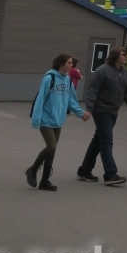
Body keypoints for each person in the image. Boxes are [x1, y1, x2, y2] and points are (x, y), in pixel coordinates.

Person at [76, 46, 127, 186]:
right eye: (123, 54)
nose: (126, 57)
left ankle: (84, 170)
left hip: (113, 111)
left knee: (98, 140)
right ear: (116, 56)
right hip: (101, 109)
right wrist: (89, 109)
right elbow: (92, 90)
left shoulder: (125, 73)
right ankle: (110, 174)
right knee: (107, 140)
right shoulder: (102, 70)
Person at [27, 53, 90, 191]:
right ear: (61, 64)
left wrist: (81, 113)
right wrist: (36, 119)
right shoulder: (49, 78)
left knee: (52, 150)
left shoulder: (67, 79)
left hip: (58, 120)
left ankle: (45, 181)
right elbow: (40, 99)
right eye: (69, 63)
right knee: (51, 147)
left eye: (72, 63)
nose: (72, 65)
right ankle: (33, 169)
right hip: (46, 119)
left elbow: (71, 100)